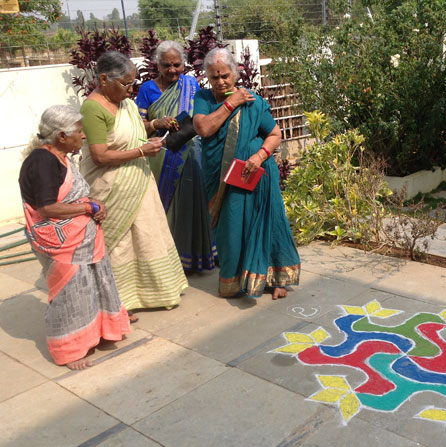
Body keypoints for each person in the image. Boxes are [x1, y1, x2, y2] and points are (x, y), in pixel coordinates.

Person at [18, 105, 130, 370]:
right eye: (79, 131)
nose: (83, 136)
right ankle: (69, 350)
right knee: (70, 293)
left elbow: (70, 195)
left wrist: (92, 205)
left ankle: (99, 332)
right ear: (60, 136)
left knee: (92, 285)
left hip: (82, 237)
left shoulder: (62, 157)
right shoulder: (42, 162)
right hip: (60, 241)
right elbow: (47, 208)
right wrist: (88, 207)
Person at [80, 51, 188, 319]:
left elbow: (133, 128)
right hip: (111, 187)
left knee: (148, 237)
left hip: (139, 181)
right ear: (104, 79)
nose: (131, 90)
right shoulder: (93, 108)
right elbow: (100, 155)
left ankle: (158, 292)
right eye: (126, 85)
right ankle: (118, 302)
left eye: (133, 84)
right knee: (119, 245)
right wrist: (141, 153)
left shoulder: (123, 103)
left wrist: (154, 124)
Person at [193, 47, 300, 300]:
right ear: (208, 77)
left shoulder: (253, 100)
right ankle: (234, 280)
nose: (220, 81)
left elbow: (275, 135)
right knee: (231, 227)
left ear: (235, 73)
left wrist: (259, 156)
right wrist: (232, 102)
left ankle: (276, 278)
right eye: (215, 77)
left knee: (267, 222)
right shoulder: (204, 99)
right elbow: (204, 128)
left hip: (257, 174)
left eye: (225, 76)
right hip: (222, 179)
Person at [135, 40, 216, 272]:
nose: (172, 70)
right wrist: (156, 122)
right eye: (166, 65)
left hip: (192, 157)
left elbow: (202, 118)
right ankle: (169, 262)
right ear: (157, 65)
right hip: (161, 158)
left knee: (193, 205)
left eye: (176, 65)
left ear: (184, 64)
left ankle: (197, 258)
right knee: (166, 211)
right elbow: (137, 126)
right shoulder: (146, 90)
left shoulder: (191, 85)